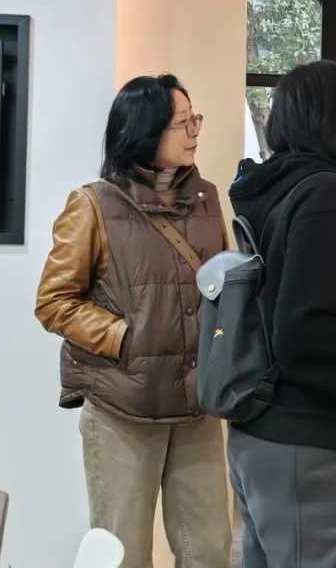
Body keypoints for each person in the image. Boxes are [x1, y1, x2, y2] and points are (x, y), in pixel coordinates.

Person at [35, 74, 230, 568]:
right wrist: (124, 338)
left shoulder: (207, 199)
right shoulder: (92, 205)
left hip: (197, 404)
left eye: (195, 119)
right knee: (123, 553)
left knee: (209, 550)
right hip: (122, 406)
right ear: (144, 130)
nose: (194, 131)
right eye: (182, 123)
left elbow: (219, 284)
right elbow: (54, 301)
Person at [226, 60, 336, 568]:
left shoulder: (278, 187)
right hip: (313, 444)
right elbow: (306, 330)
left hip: (263, 430)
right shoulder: (326, 192)